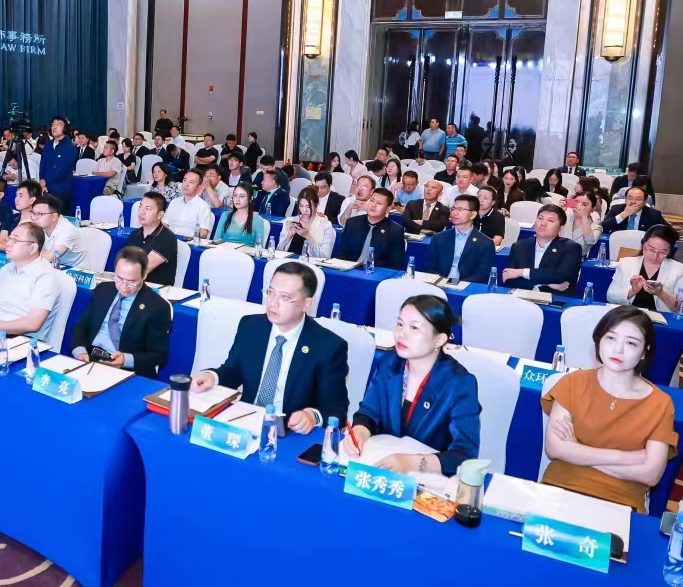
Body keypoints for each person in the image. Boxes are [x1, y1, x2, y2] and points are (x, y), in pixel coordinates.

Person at [541, 306, 677, 512]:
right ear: (599, 341)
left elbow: (651, 474)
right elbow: (555, 448)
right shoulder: (573, 383)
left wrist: (576, 449)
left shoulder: (660, 403)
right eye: (611, 338)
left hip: (621, 501)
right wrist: (627, 458)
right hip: (560, 489)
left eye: (631, 343)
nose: (618, 350)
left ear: (644, 352)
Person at [188, 262, 348, 432]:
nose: (273, 303)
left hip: (288, 431)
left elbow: (337, 410)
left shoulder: (328, 346)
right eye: (271, 293)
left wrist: (311, 416)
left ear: (307, 304)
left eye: (285, 297)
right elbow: (233, 372)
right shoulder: (251, 327)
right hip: (245, 421)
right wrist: (212, 377)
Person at [345, 295, 482, 475]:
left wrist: (412, 462)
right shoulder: (389, 364)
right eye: (400, 324)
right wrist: (360, 432)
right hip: (382, 468)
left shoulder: (460, 384)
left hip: (430, 481)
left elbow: (465, 454)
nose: (401, 334)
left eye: (414, 327)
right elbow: (368, 414)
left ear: (439, 340)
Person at [69, 246, 172, 378]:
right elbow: (82, 326)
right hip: (90, 359)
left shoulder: (157, 306)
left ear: (144, 275)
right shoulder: (103, 290)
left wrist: (126, 360)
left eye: (131, 282)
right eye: (119, 278)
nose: (124, 286)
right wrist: (80, 351)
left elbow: (158, 355)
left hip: (126, 370)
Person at [0, 222, 64, 339]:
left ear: (33, 248)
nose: (8, 243)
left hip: (22, 339)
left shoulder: (46, 276)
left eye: (15, 240)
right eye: (10, 238)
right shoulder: (6, 269)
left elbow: (33, 323)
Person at [606, 224, 683, 313]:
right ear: (643, 245)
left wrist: (661, 294)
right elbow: (610, 296)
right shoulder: (626, 263)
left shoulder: (679, 269)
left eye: (662, 252)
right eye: (651, 250)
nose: (655, 256)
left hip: (661, 319)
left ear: (670, 251)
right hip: (629, 316)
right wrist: (632, 291)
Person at [501, 203, 583, 294]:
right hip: (522, 297)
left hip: (554, 298)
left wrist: (521, 272)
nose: (543, 223)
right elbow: (508, 278)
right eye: (540, 218)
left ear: (560, 227)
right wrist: (547, 284)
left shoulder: (571, 248)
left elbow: (559, 275)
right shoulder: (519, 246)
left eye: (550, 220)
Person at [422, 195, 496, 283]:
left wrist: (458, 284)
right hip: (439, 284)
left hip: (467, 286)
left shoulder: (485, 243)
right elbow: (430, 268)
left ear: (473, 215)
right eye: (453, 208)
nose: (454, 213)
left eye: (460, 209)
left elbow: (482, 275)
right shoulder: (439, 238)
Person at [334, 187, 405, 267]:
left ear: (387, 209)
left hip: (376, 272)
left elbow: (396, 264)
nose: (373, 205)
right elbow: (341, 255)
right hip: (349, 269)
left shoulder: (395, 231)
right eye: (372, 200)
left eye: (379, 203)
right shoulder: (352, 223)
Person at [128, 191, 181, 284]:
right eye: (140, 206)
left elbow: (142, 270)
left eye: (148, 209)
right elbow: (126, 263)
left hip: (157, 290)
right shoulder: (134, 235)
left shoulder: (167, 238)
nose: (141, 212)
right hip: (133, 285)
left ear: (160, 215)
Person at [32, 194, 84, 269]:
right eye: (33, 213)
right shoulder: (39, 225)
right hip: (52, 268)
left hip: (75, 271)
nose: (34, 217)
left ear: (54, 216)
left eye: (40, 214)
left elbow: (50, 257)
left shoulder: (67, 230)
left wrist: (28, 250)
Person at [283, 187, 336, 259]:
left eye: (308, 206)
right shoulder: (290, 221)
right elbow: (278, 251)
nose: (304, 210)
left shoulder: (326, 225)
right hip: (288, 262)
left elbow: (325, 257)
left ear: (317, 205)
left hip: (310, 264)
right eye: (301, 206)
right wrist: (289, 236)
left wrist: (308, 236)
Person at [39, 115, 78, 211]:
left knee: (60, 215)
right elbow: (43, 165)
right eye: (53, 125)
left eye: (59, 125)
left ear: (65, 128)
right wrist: (42, 181)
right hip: (46, 188)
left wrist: (45, 181)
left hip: (61, 189)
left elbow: (63, 169)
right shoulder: (48, 145)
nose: (54, 127)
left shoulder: (69, 146)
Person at [164, 169, 213, 238]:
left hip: (189, 241)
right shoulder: (174, 202)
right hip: (170, 239)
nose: (186, 184)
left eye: (191, 182)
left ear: (198, 187)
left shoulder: (203, 206)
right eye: (185, 180)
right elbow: (165, 224)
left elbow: (203, 234)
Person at [601, 186, 665, 235]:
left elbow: (668, 232)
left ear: (645, 202)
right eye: (630, 198)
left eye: (638, 199)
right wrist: (623, 215)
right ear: (625, 199)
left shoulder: (653, 214)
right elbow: (602, 228)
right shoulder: (616, 209)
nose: (633, 202)